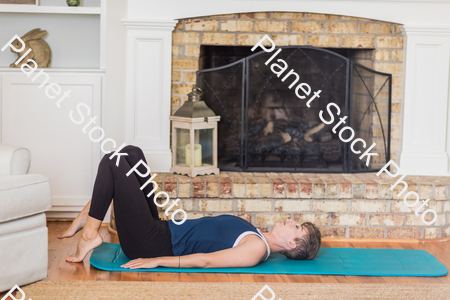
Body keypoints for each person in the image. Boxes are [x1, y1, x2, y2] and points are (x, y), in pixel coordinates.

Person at [58, 145, 322, 269]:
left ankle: (89, 233)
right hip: (159, 227)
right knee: (132, 154)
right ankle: (88, 216)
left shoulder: (255, 250)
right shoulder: (256, 235)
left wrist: (157, 261)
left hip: (150, 243)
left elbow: (206, 261)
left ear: (292, 245)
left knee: (114, 162)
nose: (291, 221)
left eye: (296, 227)